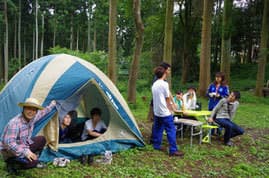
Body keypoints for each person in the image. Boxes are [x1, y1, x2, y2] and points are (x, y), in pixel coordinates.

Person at [0, 98, 56, 170]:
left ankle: (29, 158)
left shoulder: (32, 118)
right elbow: (9, 143)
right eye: (28, 108)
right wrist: (26, 152)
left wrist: (52, 105)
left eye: (34, 110)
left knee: (42, 139)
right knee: (33, 163)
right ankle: (12, 163)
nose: (31, 112)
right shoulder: (14, 123)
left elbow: (43, 112)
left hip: (23, 145)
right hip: (10, 152)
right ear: (23, 109)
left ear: (36, 112)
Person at [151, 66, 184, 157]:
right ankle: (173, 150)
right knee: (171, 130)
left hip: (157, 111)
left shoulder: (154, 84)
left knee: (158, 129)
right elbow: (167, 98)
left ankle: (156, 145)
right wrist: (172, 109)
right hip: (164, 112)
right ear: (164, 74)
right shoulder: (164, 84)